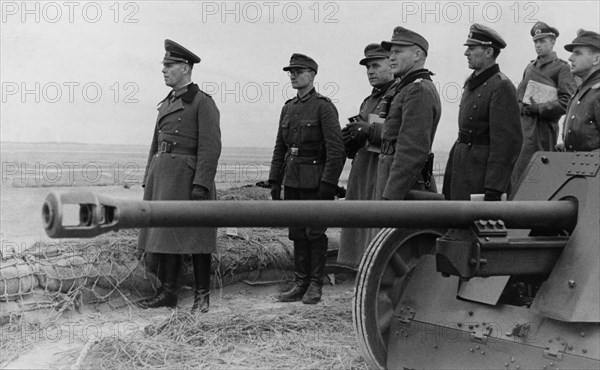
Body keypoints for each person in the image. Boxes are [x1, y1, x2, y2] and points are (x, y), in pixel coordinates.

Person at [137, 40, 222, 313]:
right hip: (163, 178)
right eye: (164, 65)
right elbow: (155, 144)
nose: (164, 70)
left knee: (198, 238)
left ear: (185, 68)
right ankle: (167, 293)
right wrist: (148, 177)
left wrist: (201, 184)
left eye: (169, 65)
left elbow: (210, 147)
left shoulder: (202, 103)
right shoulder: (166, 104)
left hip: (188, 179)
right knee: (165, 235)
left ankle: (202, 297)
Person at [268, 53, 345, 304]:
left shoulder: (323, 106)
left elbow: (337, 150)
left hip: (315, 181)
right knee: (297, 233)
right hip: (292, 178)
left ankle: (315, 284)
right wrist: (274, 180)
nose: (293, 75)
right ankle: (300, 283)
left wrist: (328, 184)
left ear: (312, 75)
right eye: (290, 71)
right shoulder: (288, 108)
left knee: (315, 233)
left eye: (298, 71)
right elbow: (280, 147)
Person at [443, 24, 522, 201]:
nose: (466, 53)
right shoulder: (471, 81)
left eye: (472, 48)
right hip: (461, 167)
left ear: (488, 52)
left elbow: (507, 143)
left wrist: (493, 188)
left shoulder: (501, 86)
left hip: (481, 176)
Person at [338, 43, 397, 268]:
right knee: (360, 221)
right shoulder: (369, 100)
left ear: (390, 66)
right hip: (363, 169)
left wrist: (367, 130)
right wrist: (350, 139)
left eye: (375, 65)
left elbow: (400, 132)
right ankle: (360, 267)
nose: (370, 71)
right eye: (367, 67)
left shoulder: (400, 95)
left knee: (377, 225)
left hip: (382, 169)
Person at [376, 27, 441, 201]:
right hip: (394, 178)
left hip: (405, 187)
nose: (391, 57)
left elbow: (412, 151)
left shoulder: (418, 90)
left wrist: (391, 197)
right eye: (391, 53)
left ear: (417, 55)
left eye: (398, 52)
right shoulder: (406, 88)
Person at [511, 21, 577, 190]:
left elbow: (568, 101)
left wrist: (539, 109)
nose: (538, 45)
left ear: (553, 42)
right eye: (536, 42)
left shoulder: (562, 68)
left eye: (543, 41)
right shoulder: (529, 66)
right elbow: (521, 96)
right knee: (518, 175)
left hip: (542, 131)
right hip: (522, 130)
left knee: (538, 178)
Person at [560, 29, 600, 152]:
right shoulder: (582, 91)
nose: (570, 58)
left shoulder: (597, 92)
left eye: (577, 53)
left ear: (596, 59)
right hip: (579, 166)